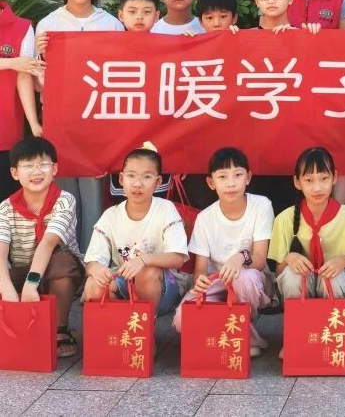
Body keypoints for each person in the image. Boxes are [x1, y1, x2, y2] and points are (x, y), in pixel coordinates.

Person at [35, 0, 123, 250]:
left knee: (94, 189)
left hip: (98, 120)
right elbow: (37, 78)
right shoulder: (48, 24)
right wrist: (42, 54)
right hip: (60, 119)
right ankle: (66, 257)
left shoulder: (111, 25)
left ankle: (94, 256)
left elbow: (122, 72)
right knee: (63, 188)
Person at [173, 148, 274, 357]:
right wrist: (200, 281)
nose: (231, 183)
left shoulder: (261, 206)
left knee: (243, 279)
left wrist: (240, 257)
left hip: (250, 278)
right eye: (222, 177)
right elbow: (200, 270)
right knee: (182, 320)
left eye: (238, 175)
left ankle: (238, 331)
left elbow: (260, 259)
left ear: (248, 177)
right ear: (211, 183)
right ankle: (243, 335)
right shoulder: (205, 218)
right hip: (216, 281)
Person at [82, 143, 189, 318]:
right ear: (121, 179)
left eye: (147, 177)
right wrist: (97, 271)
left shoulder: (165, 208)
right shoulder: (111, 215)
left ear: (158, 182)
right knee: (93, 285)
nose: (138, 183)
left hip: (162, 287)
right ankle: (122, 328)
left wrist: (143, 260)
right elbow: (92, 262)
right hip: (124, 284)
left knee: (146, 271)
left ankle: (145, 327)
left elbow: (178, 258)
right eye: (131, 176)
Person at [0, 137, 84, 357]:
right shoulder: (6, 208)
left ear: (54, 169)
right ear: (15, 173)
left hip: (57, 270)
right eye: (28, 165)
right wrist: (6, 287)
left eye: (43, 164)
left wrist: (31, 283)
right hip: (22, 268)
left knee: (62, 261)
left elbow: (48, 242)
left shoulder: (65, 200)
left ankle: (60, 329)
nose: (36, 171)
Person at [270, 146, 345, 303]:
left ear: (334, 178)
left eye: (324, 178)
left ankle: (335, 318)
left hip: (336, 290)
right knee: (292, 275)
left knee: (333, 278)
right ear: (297, 182)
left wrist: (344, 261)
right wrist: (289, 258)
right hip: (302, 286)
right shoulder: (284, 219)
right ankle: (299, 317)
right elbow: (278, 272)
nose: (317, 188)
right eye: (309, 180)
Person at [0, 0, 42, 200]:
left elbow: (24, 76)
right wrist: (11, 62)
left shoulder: (22, 27)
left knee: (7, 201)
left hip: (7, 128)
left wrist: (33, 123)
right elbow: (18, 65)